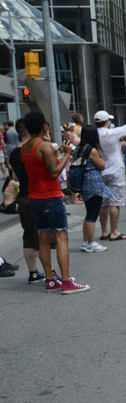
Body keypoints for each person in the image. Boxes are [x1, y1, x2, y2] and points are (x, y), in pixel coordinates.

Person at [22, 109, 92, 294]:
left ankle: (50, 280)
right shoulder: (44, 146)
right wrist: (68, 155)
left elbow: (42, 167)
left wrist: (59, 153)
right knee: (61, 237)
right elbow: (53, 172)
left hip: (35, 197)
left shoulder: (26, 148)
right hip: (51, 197)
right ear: (44, 125)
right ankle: (67, 281)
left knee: (43, 239)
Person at [5, 118, 46, 282]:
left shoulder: (14, 153)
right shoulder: (35, 149)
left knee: (28, 235)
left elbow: (14, 176)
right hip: (38, 193)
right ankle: (49, 273)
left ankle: (33, 272)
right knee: (43, 234)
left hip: (23, 196)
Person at [96, 107, 126, 241]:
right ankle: (114, 231)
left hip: (101, 170)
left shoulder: (93, 134)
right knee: (114, 203)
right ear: (106, 122)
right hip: (115, 170)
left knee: (103, 203)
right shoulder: (111, 133)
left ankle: (104, 231)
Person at [71, 125, 109, 252]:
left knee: (88, 214)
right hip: (94, 183)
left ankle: (86, 241)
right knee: (92, 215)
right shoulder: (91, 150)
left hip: (84, 184)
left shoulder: (78, 149)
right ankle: (91, 243)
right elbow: (102, 166)